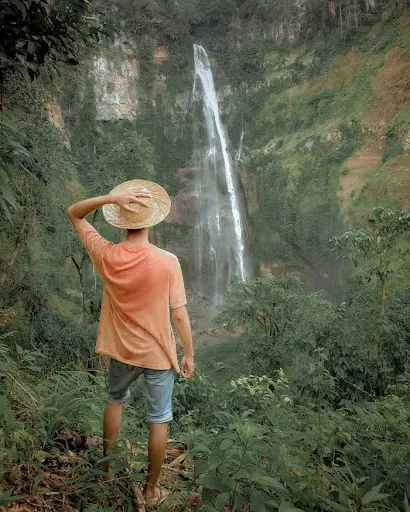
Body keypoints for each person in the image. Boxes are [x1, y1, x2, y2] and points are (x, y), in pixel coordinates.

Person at [67, 179, 194, 507]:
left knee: (114, 399)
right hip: (158, 354)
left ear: (120, 220)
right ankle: (152, 490)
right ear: (153, 218)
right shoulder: (168, 262)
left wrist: (110, 197)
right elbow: (179, 315)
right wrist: (189, 352)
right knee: (159, 417)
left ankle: (108, 472)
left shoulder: (106, 255)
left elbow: (74, 214)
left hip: (121, 349)